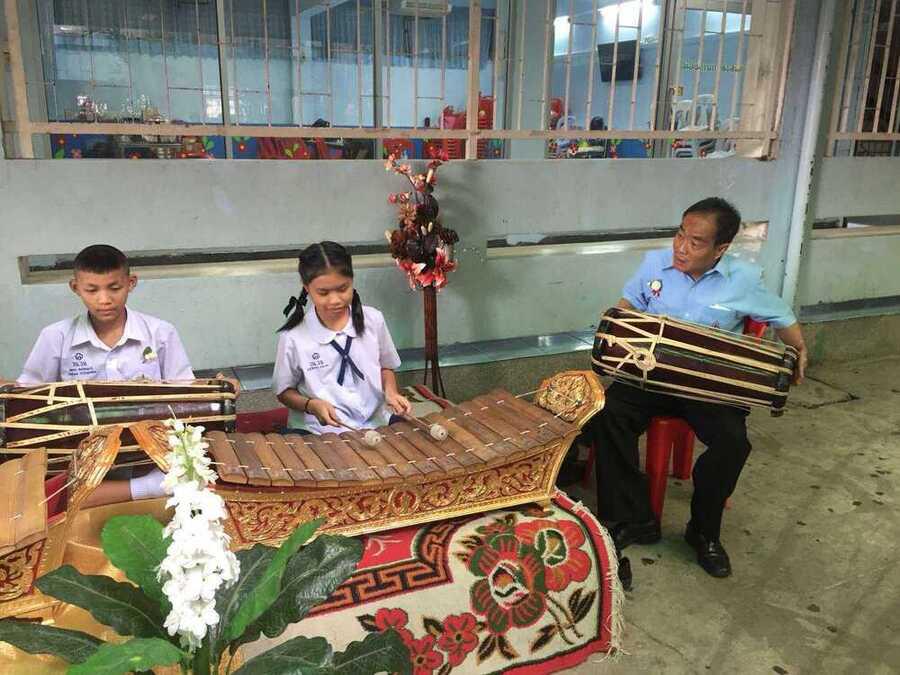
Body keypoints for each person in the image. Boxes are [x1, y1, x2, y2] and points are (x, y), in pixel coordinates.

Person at [589, 197, 807, 578]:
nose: (681, 247)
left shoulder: (743, 280)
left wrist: (800, 349)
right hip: (652, 375)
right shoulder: (655, 264)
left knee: (732, 443)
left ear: (720, 249)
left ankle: (703, 531)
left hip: (709, 386)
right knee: (608, 415)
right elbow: (626, 308)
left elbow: (781, 316)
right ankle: (633, 518)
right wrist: (616, 332)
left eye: (696, 242)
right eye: (679, 235)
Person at [17, 244, 195, 505]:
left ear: (131, 283)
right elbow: (27, 398)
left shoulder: (160, 332)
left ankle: (145, 485)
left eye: (114, 288)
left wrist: (220, 388)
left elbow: (188, 392)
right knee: (52, 497)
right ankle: (149, 487)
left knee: (195, 474)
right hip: (82, 450)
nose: (104, 299)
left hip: (149, 449)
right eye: (92, 290)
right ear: (75, 287)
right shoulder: (56, 336)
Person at [273, 241, 412, 435]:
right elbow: (283, 392)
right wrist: (311, 405)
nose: (335, 300)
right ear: (307, 288)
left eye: (342, 289)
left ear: (352, 280)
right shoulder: (293, 337)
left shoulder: (373, 319)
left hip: (376, 421)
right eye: (323, 293)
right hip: (320, 431)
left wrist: (391, 392)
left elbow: (385, 366)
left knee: (413, 438)